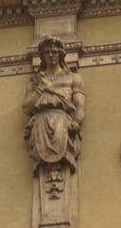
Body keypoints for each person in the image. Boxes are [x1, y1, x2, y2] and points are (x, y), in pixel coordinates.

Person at [23, 36, 86, 173]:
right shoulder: (34, 82)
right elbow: (27, 108)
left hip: (62, 120)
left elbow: (80, 104)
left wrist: (77, 121)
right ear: (42, 56)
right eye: (47, 52)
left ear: (61, 54)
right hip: (40, 121)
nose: (51, 55)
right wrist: (40, 88)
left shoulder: (73, 78)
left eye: (54, 52)